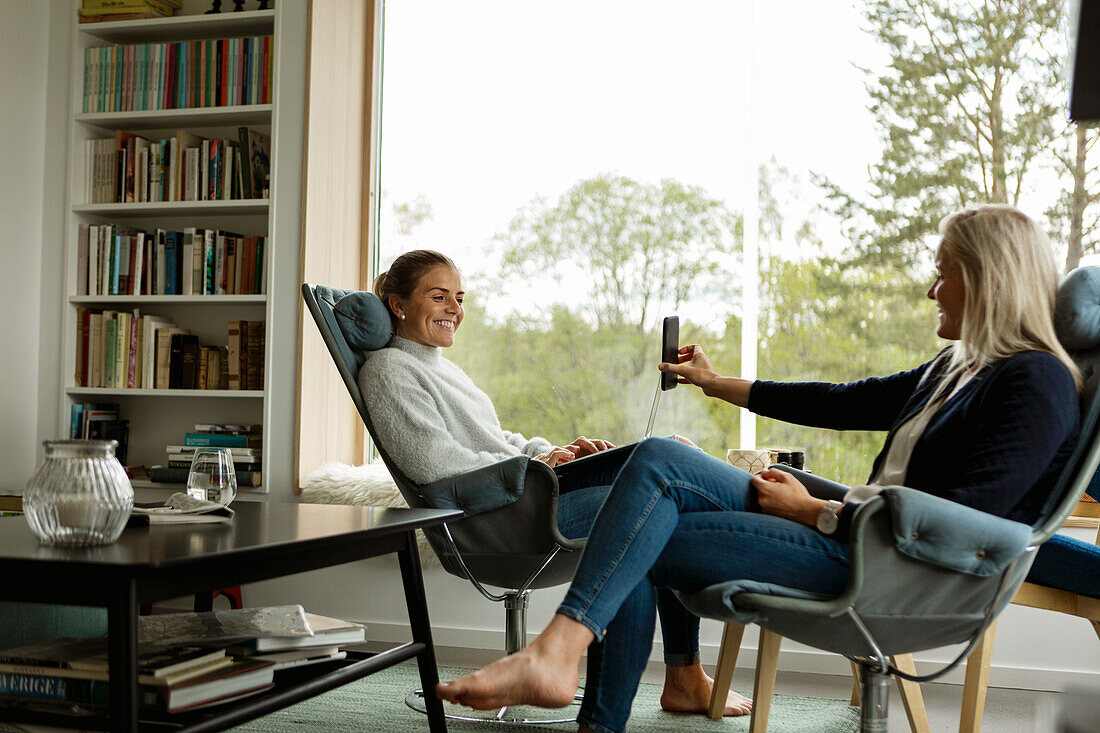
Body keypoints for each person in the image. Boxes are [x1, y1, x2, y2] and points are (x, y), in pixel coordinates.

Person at [435, 204, 1083, 733]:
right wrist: (718, 385)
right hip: (856, 533)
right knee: (659, 473)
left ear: (989, 276)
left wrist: (819, 510)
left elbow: (969, 520)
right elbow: (841, 399)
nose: (931, 287)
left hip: (897, 565)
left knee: (641, 521)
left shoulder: (1038, 380)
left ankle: (557, 660)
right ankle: (570, 676)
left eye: (943, 273)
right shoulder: (959, 366)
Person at [359, 249, 752, 717]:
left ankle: (684, 675)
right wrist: (535, 466)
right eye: (439, 297)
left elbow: (497, 439)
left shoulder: (442, 367)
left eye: (459, 298)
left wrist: (553, 450)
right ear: (398, 304)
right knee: (656, 502)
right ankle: (685, 674)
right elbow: (436, 464)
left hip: (527, 492)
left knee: (665, 454)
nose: (454, 310)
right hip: (498, 518)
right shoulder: (387, 370)